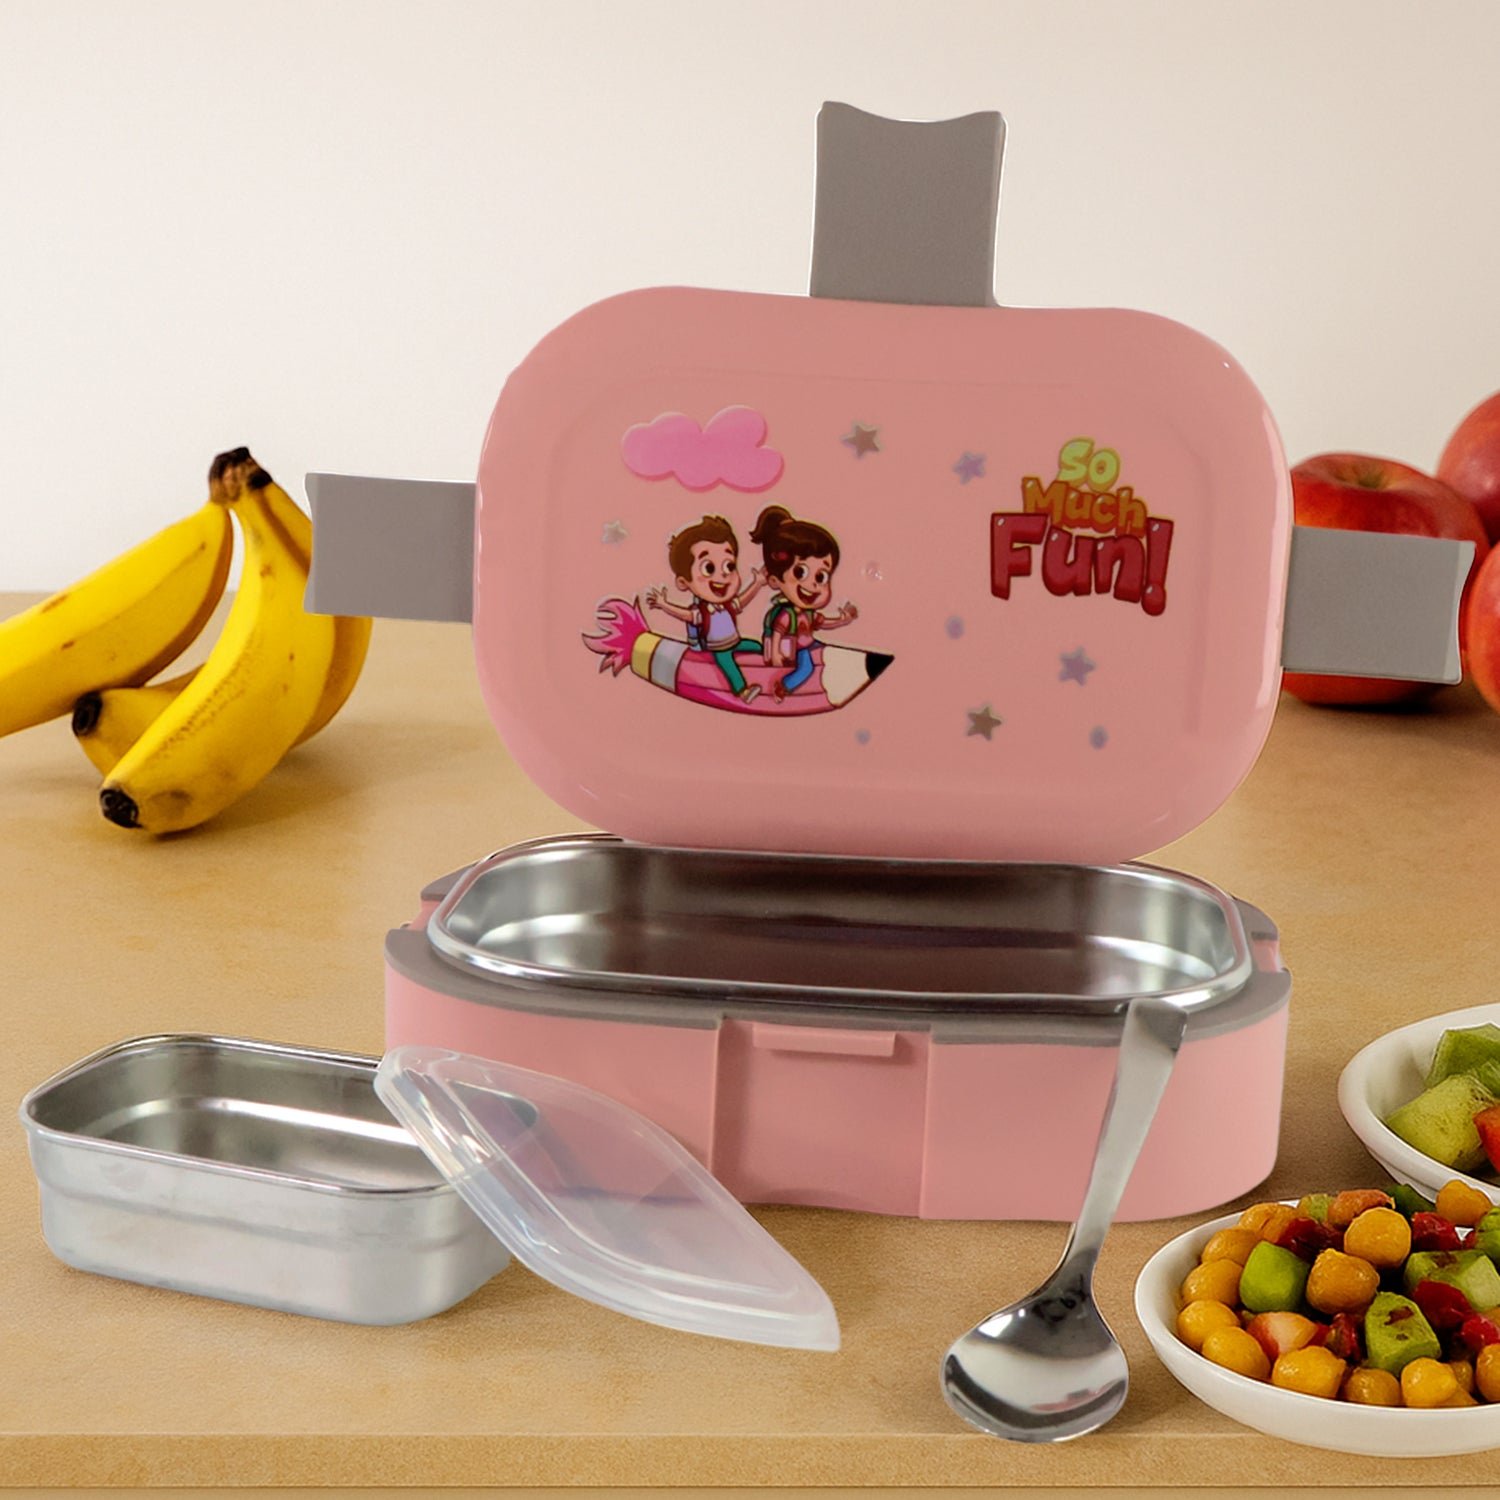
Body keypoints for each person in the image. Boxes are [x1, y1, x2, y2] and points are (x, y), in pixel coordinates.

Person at [646, 514, 767, 703]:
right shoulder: (702, 612)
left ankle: (769, 673)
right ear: (683, 582)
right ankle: (742, 691)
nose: (723, 576)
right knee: (729, 666)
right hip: (719, 649)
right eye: (709, 568)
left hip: (735, 642)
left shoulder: (727, 605)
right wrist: (663, 604)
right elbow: (685, 615)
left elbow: (743, 600)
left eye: (729, 566)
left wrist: (757, 583)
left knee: (757, 647)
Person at [750, 505, 859, 702]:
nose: (814, 585)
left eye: (821, 576)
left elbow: (824, 622)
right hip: (796, 650)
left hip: (810, 644)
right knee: (806, 667)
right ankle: (783, 687)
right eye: (801, 573)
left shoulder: (808, 614)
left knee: (824, 653)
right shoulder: (787, 614)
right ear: (774, 580)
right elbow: (777, 633)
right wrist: (775, 654)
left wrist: (844, 619)